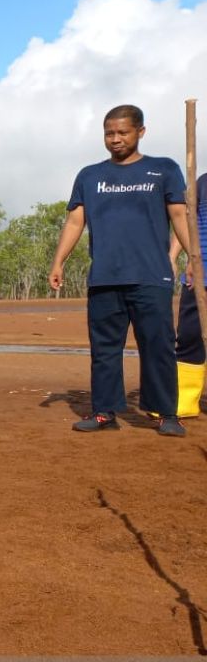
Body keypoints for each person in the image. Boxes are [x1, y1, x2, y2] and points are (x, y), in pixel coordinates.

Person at [49, 104, 192, 437]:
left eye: (123, 132)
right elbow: (74, 221)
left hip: (151, 276)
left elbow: (180, 216)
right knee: (104, 349)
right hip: (105, 279)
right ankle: (104, 411)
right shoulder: (90, 175)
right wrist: (59, 261)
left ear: (141, 132)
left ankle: (165, 413)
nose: (115, 139)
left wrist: (195, 257)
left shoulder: (163, 169)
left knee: (157, 345)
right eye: (109, 133)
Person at [167, 171, 207, 419]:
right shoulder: (201, 183)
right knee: (190, 336)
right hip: (199, 276)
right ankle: (185, 399)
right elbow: (186, 222)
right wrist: (172, 257)